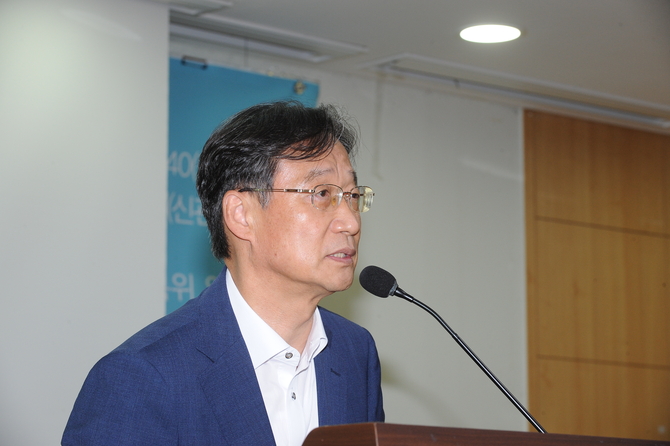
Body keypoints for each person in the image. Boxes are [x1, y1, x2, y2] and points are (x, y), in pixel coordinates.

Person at [62, 101, 384, 446]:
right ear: (241, 215)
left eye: (353, 196)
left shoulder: (355, 351)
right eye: (322, 194)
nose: (351, 222)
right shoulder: (142, 377)